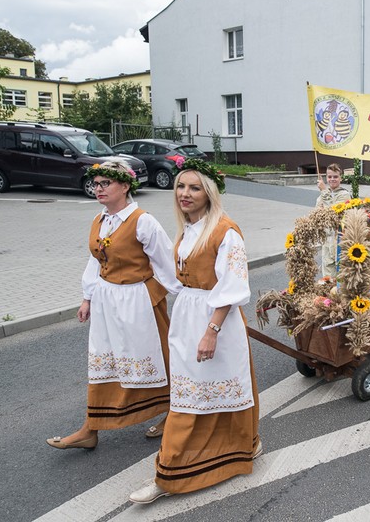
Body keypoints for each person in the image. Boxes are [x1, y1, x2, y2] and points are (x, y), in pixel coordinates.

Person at [129, 159, 260, 503]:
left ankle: (168, 473)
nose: (185, 194)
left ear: (209, 193)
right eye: (181, 187)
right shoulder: (188, 227)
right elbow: (173, 277)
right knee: (192, 390)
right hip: (188, 316)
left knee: (208, 392)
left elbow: (232, 286)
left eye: (194, 187)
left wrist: (211, 331)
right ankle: (237, 448)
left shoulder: (225, 231)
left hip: (216, 320)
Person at [47, 158, 180, 451]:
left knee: (157, 359)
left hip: (139, 301)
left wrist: (187, 302)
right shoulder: (100, 220)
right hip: (107, 301)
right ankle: (90, 429)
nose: (98, 189)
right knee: (104, 361)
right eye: (96, 184)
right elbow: (96, 261)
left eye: (105, 183)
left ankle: (175, 412)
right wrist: (87, 297)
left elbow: (167, 263)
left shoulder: (143, 221)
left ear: (124, 185)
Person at [315, 164, 351, 277]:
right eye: (329, 177)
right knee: (327, 273)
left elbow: (334, 212)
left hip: (339, 238)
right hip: (326, 238)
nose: (332, 179)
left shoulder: (344, 195)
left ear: (341, 178)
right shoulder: (322, 196)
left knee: (341, 272)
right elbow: (317, 215)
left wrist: (324, 191)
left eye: (335, 177)